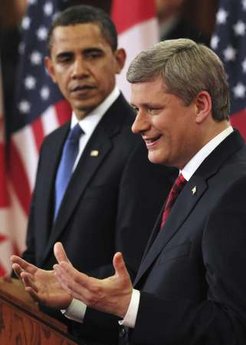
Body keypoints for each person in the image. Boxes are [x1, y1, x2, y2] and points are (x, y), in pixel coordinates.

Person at [12, 38, 246, 344]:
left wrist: (130, 304)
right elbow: (161, 305)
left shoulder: (236, 188)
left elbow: (233, 328)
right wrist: (78, 301)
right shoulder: (191, 182)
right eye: (136, 109)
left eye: (152, 109)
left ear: (201, 105)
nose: (136, 125)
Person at [11, 5, 176, 345]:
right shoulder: (53, 143)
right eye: (66, 59)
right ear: (50, 69)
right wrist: (20, 278)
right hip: (35, 329)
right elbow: (37, 251)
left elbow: (136, 264)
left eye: (92, 55)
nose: (79, 70)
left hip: (97, 333)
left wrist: (66, 289)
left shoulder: (140, 141)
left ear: (118, 59)